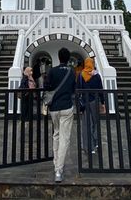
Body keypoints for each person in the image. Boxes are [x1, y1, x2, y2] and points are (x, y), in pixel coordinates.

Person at [44, 47, 76, 183]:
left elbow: (47, 86)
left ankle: (56, 163)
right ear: (68, 58)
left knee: (56, 134)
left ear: (58, 57)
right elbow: (73, 89)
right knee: (65, 138)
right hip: (66, 107)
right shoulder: (71, 71)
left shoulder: (52, 70)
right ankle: (58, 169)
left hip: (54, 108)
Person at [77, 57, 106, 153]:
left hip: (85, 102)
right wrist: (103, 103)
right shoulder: (96, 75)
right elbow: (101, 90)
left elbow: (78, 89)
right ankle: (96, 142)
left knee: (86, 124)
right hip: (95, 101)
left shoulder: (81, 75)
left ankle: (89, 146)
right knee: (96, 123)